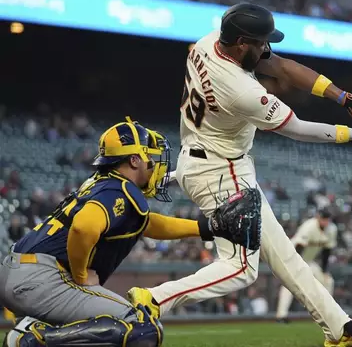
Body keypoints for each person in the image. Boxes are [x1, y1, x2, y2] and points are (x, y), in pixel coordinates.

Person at [127, 2, 352, 347]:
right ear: (241, 43)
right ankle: (153, 299)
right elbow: (297, 129)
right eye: (261, 43)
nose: (267, 49)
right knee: (241, 268)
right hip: (222, 172)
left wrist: (346, 98)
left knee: (285, 256)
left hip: (204, 158)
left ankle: (340, 327)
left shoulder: (209, 42)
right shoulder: (241, 89)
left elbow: (282, 66)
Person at [0, 118, 219, 347]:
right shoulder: (122, 189)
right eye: (149, 158)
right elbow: (84, 226)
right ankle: (31, 339)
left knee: (96, 329)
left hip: (22, 270)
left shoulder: (103, 183)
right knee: (142, 328)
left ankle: (32, 328)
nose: (154, 165)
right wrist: (80, 275)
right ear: (134, 160)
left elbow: (147, 223)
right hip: (41, 278)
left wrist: (202, 228)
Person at [276, 208, 337, 323]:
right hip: (292, 258)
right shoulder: (309, 226)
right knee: (289, 285)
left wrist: (324, 270)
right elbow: (299, 247)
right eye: (323, 218)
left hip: (308, 261)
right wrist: (297, 268)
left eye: (327, 219)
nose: (325, 221)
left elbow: (326, 252)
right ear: (318, 217)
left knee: (327, 281)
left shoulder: (332, 229)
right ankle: (281, 316)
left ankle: (327, 314)